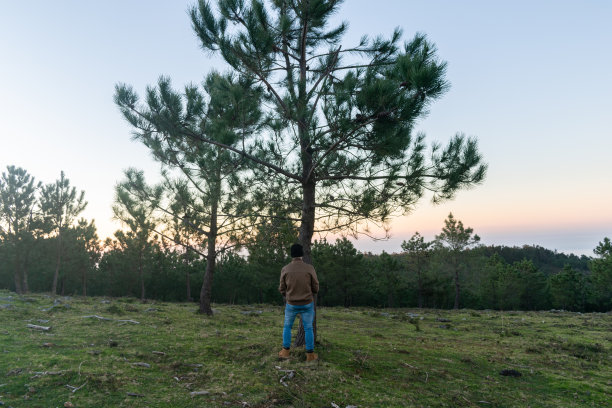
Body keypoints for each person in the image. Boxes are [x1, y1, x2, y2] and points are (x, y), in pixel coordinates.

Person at [278, 243, 319, 361]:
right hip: (307, 303)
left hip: (291, 304)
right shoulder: (309, 268)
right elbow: (315, 286)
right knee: (308, 328)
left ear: (291, 255)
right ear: (302, 254)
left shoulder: (285, 269)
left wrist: (286, 295)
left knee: (287, 327)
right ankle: (310, 355)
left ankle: (285, 352)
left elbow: (282, 288)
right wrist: (313, 292)